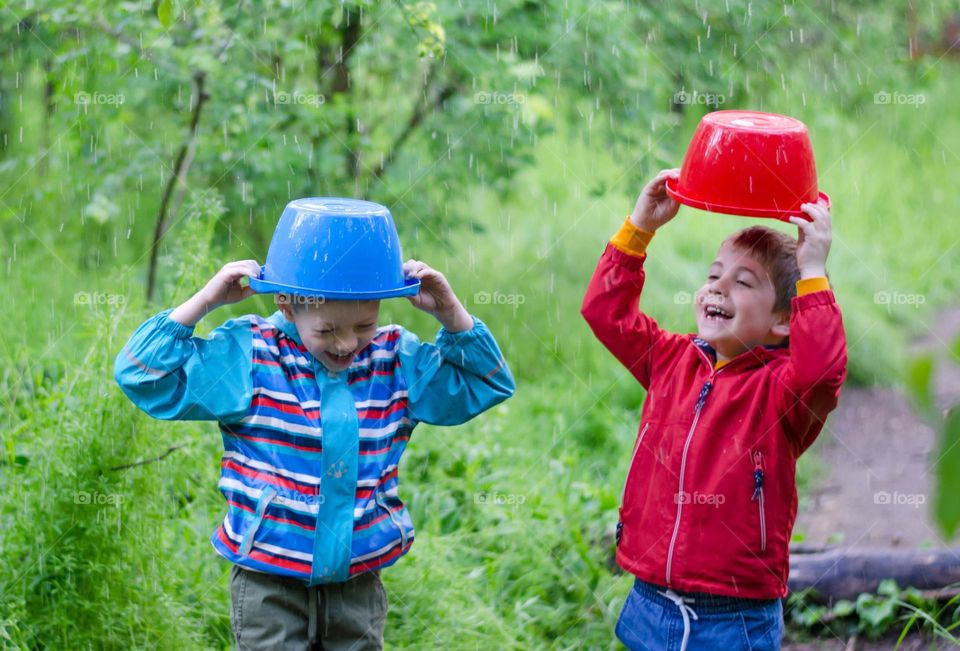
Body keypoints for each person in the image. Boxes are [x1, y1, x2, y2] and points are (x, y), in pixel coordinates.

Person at [115, 206, 514, 650]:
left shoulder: (394, 360)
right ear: (285, 302)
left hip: (357, 586)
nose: (347, 343)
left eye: (365, 324)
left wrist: (452, 314)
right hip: (270, 584)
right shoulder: (252, 358)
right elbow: (141, 375)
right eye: (327, 330)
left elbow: (488, 381)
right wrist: (202, 302)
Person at [581, 169, 847, 651]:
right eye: (712, 275)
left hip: (736, 617)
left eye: (743, 282)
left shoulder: (784, 391)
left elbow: (822, 371)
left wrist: (812, 272)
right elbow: (606, 312)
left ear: (785, 320)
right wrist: (640, 228)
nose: (717, 288)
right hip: (648, 602)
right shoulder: (669, 359)